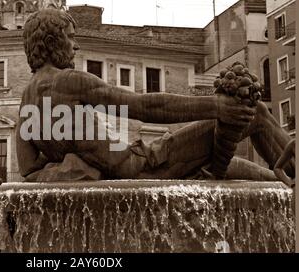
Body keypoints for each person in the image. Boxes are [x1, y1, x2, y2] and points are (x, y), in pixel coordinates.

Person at [17, 8, 294, 181]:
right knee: (255, 113)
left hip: (138, 165)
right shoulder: (69, 81)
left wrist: (72, 166)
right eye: (70, 37)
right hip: (150, 162)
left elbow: (28, 169)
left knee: (243, 170)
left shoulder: (26, 100)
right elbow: (144, 106)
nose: (75, 46)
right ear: (53, 42)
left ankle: (286, 186)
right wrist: (216, 106)